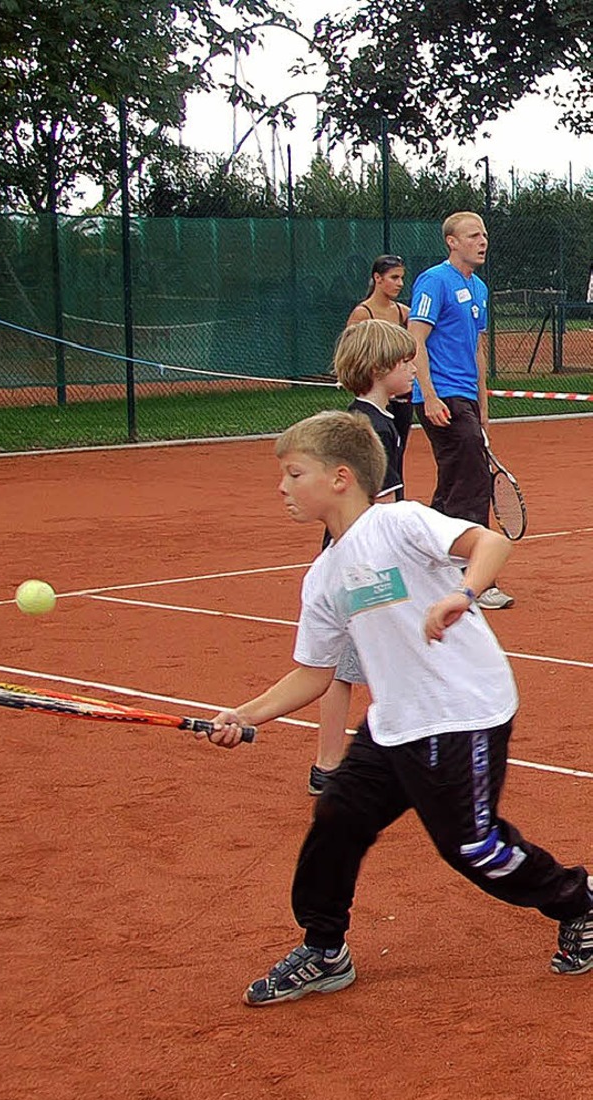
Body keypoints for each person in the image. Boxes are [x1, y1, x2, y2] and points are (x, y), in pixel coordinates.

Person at [199, 410, 593, 1004]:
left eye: (293, 472)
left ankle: (579, 901)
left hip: (463, 712)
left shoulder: (399, 523)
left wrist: (463, 594)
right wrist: (245, 714)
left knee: (473, 846)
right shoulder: (324, 575)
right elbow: (314, 672)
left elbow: (489, 540)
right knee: (337, 818)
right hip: (396, 724)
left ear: (339, 477)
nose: (282, 487)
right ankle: (325, 948)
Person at [309, 319, 415, 797]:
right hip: (365, 565)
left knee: (350, 667)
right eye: (404, 363)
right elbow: (384, 508)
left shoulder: (362, 420)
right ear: (378, 369)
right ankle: (338, 764)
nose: (414, 369)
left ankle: (330, 764)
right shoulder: (373, 431)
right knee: (387, 661)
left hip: (348, 558)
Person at [408, 212, 514, 611]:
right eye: (473, 235)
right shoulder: (434, 281)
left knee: (455, 482)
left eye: (484, 234)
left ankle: (428, 564)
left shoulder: (480, 287)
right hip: (442, 396)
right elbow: (415, 339)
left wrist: (483, 406)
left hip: (465, 397)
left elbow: (478, 350)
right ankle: (476, 578)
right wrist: (429, 395)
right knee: (472, 482)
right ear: (452, 242)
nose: (482, 241)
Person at [347, 254, 412, 462]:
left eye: (401, 278)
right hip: (377, 396)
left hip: (402, 398)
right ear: (378, 278)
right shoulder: (362, 313)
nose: (400, 283)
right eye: (394, 277)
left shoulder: (404, 312)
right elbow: (351, 353)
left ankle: (397, 493)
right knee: (377, 455)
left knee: (397, 454)